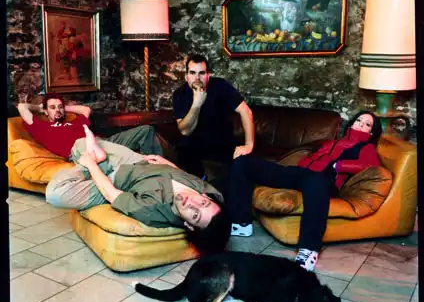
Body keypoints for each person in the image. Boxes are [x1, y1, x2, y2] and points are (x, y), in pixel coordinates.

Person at [226, 110, 383, 272]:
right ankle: (241, 223)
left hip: (324, 182)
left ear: (371, 132)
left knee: (315, 180)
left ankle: (309, 250)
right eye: (358, 120)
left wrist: (340, 166)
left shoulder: (367, 147)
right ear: (352, 123)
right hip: (301, 175)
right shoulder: (333, 142)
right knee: (243, 163)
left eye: (367, 124)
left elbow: (372, 166)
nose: (361, 125)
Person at [46, 124, 232, 254]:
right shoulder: (211, 193)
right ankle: (95, 154)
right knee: (79, 143)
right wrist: (168, 165)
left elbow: (111, 194)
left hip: (117, 177)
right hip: (137, 161)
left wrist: (91, 164)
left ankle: (94, 159)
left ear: (189, 225)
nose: (192, 203)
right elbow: (188, 177)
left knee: (55, 193)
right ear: (206, 196)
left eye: (195, 215)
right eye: (203, 203)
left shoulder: (154, 209)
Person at [172, 53, 255, 179]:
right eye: (192, 73)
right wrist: (196, 104)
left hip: (221, 141)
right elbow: (185, 131)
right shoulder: (180, 94)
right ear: (186, 76)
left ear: (208, 75)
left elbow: (246, 111)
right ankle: (200, 182)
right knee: (183, 147)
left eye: (202, 73)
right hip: (195, 144)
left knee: (238, 166)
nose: (197, 78)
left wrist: (249, 145)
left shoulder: (221, 86)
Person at [16, 92, 163, 162]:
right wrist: (40, 108)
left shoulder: (74, 122)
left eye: (60, 107)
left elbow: (85, 110)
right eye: (52, 108)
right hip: (84, 150)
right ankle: (146, 164)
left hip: (103, 142)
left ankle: (158, 166)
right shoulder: (41, 127)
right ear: (46, 111)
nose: (58, 110)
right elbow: (22, 107)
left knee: (146, 130)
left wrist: (62, 108)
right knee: (130, 157)